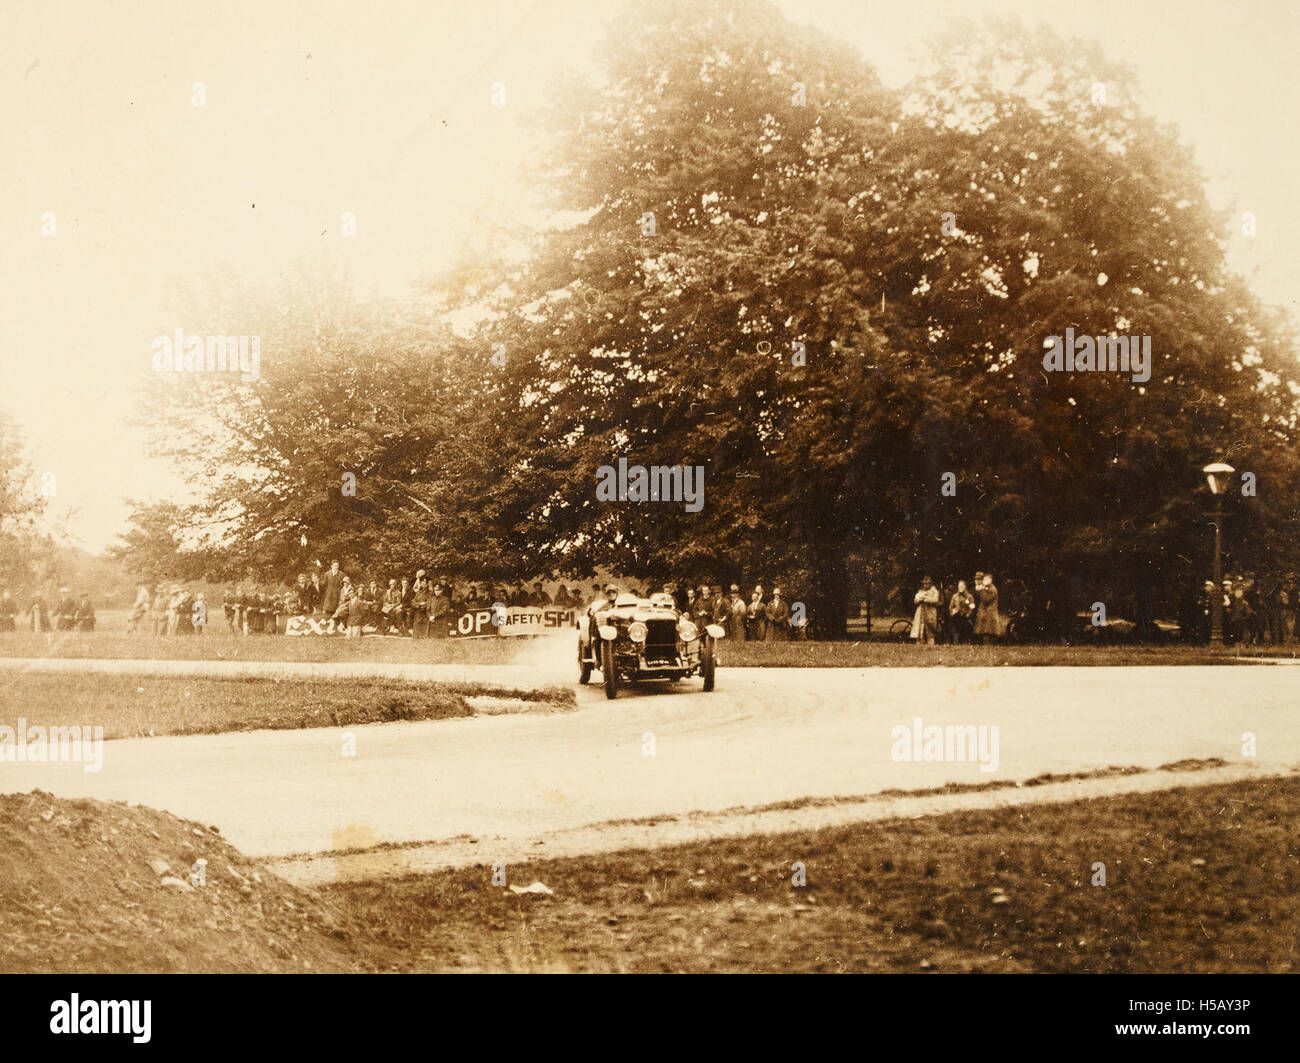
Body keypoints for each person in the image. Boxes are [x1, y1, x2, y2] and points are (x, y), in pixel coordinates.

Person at [910, 576, 940, 644]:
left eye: (927, 584)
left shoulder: (934, 591)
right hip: (921, 612)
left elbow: (936, 600)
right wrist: (919, 599)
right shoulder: (921, 591)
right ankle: (920, 642)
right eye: (924, 584)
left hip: (930, 611)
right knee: (920, 628)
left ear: (930, 584)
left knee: (930, 629)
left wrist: (925, 599)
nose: (925, 585)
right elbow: (915, 601)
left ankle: (931, 643)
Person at [973, 573, 1001, 643]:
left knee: (989, 629)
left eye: (987, 579)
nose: (985, 581)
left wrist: (981, 590)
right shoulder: (986, 588)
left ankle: (990, 642)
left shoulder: (992, 589)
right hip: (986, 611)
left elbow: (986, 600)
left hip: (990, 611)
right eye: (984, 579)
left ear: (990, 580)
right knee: (983, 628)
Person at [948, 579, 975, 644]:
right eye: (959, 586)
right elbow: (951, 606)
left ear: (965, 587)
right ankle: (955, 642)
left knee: (965, 628)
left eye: (962, 586)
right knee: (955, 628)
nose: (961, 588)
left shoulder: (969, 596)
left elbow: (972, 607)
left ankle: (965, 642)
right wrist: (952, 612)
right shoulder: (955, 596)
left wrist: (968, 614)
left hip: (965, 616)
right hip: (957, 616)